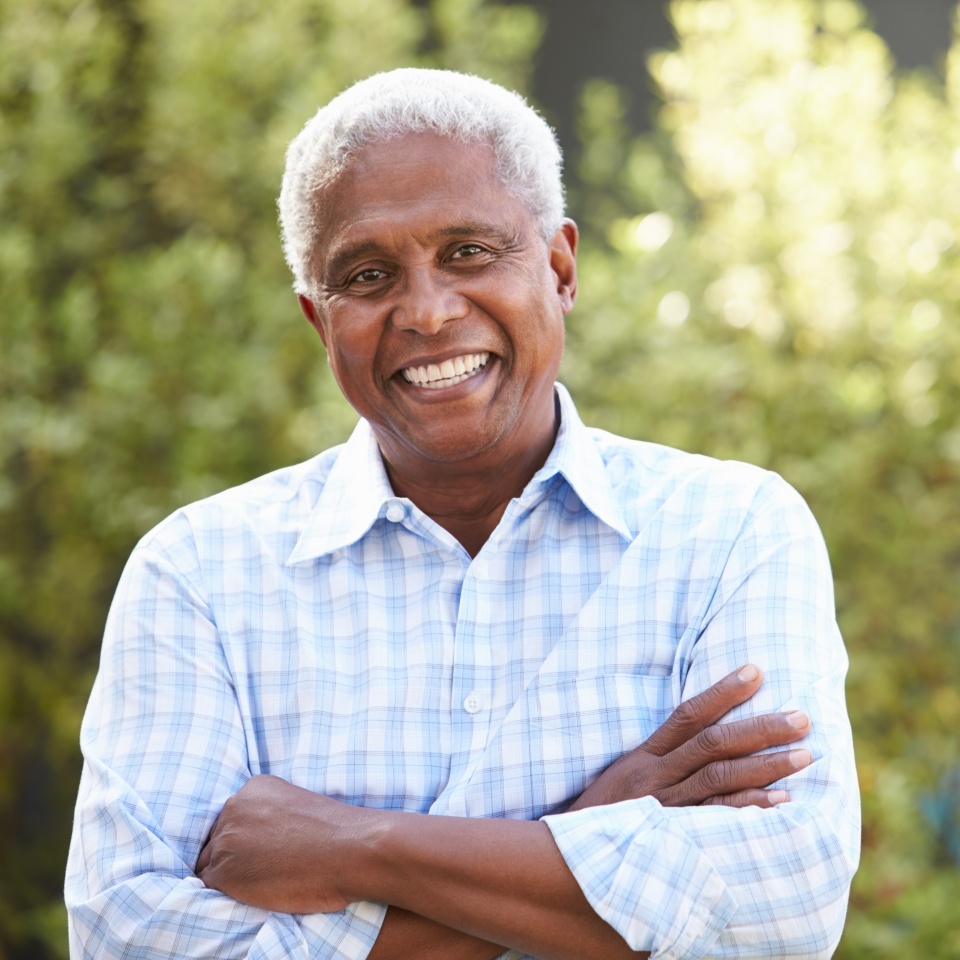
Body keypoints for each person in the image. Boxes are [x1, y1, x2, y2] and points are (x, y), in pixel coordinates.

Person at [65, 69, 859, 959]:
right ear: (319, 322)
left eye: (470, 252)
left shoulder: (729, 532)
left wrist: (356, 847)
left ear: (560, 269)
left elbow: (782, 907)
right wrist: (592, 835)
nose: (428, 312)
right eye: (368, 275)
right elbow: (127, 937)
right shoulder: (199, 573)